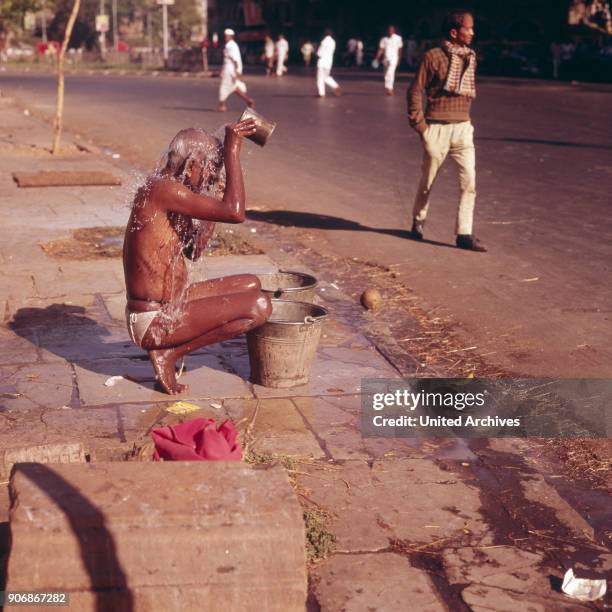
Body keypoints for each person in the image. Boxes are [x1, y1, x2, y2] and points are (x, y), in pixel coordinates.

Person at [123, 121, 272, 395]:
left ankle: (169, 351)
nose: (209, 177)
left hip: (172, 304)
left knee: (251, 283)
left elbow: (194, 251)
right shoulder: (163, 190)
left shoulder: (168, 189)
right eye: (210, 169)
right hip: (154, 320)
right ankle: (170, 353)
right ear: (192, 165)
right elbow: (235, 212)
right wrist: (232, 152)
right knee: (259, 306)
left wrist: (215, 192)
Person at [407, 10, 486, 252]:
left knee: (469, 182)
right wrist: (420, 126)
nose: (472, 33)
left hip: (463, 128)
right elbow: (415, 90)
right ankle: (418, 221)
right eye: (468, 28)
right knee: (427, 182)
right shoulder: (432, 57)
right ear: (454, 32)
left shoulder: (470, 57)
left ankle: (464, 233)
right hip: (437, 128)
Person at [218, 28, 253, 112]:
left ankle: (221, 105)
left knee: (224, 86)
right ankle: (248, 100)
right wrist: (222, 70)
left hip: (230, 69)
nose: (226, 37)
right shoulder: (230, 45)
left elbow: (236, 59)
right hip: (228, 68)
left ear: (231, 36)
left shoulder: (231, 46)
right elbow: (226, 59)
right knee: (234, 87)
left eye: (227, 36)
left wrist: (237, 72)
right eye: (225, 36)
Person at [375, 25, 403, 95]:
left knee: (390, 72)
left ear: (394, 31)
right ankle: (389, 88)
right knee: (386, 73)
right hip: (385, 58)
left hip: (394, 58)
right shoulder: (384, 39)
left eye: (391, 30)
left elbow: (400, 49)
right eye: (389, 30)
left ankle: (390, 88)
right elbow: (381, 49)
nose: (390, 32)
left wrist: (399, 59)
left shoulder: (398, 38)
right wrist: (377, 58)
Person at [316, 29, 341, 97]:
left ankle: (321, 93)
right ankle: (335, 85)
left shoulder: (323, 42)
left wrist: (316, 53)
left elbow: (319, 53)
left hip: (322, 62)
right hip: (329, 61)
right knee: (326, 76)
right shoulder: (333, 42)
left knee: (320, 78)